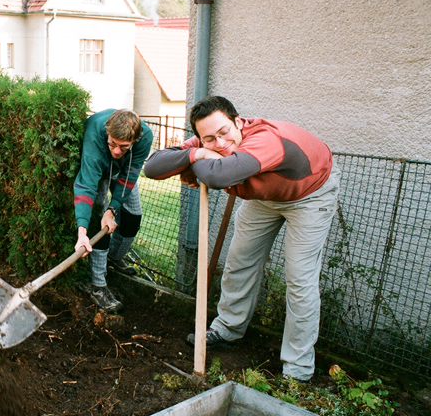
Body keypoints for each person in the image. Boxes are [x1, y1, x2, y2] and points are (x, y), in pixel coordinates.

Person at [143, 96, 340, 383]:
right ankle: (227, 330)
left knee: (299, 278)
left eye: (224, 132)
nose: (220, 143)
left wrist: (195, 164)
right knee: (239, 261)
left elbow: (222, 175)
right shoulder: (206, 144)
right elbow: (152, 167)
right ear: (199, 137)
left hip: (309, 194)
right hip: (265, 197)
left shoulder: (265, 139)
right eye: (209, 138)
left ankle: (298, 369)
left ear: (238, 122)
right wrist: (196, 156)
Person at [74, 108, 153, 313]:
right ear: (107, 134)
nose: (117, 151)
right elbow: (86, 185)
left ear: (135, 140)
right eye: (113, 144)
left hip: (122, 172)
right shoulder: (95, 137)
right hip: (99, 171)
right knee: (99, 221)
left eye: (123, 146)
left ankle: (115, 257)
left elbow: (130, 175)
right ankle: (98, 285)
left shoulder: (145, 137)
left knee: (133, 216)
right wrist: (82, 231)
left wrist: (114, 208)